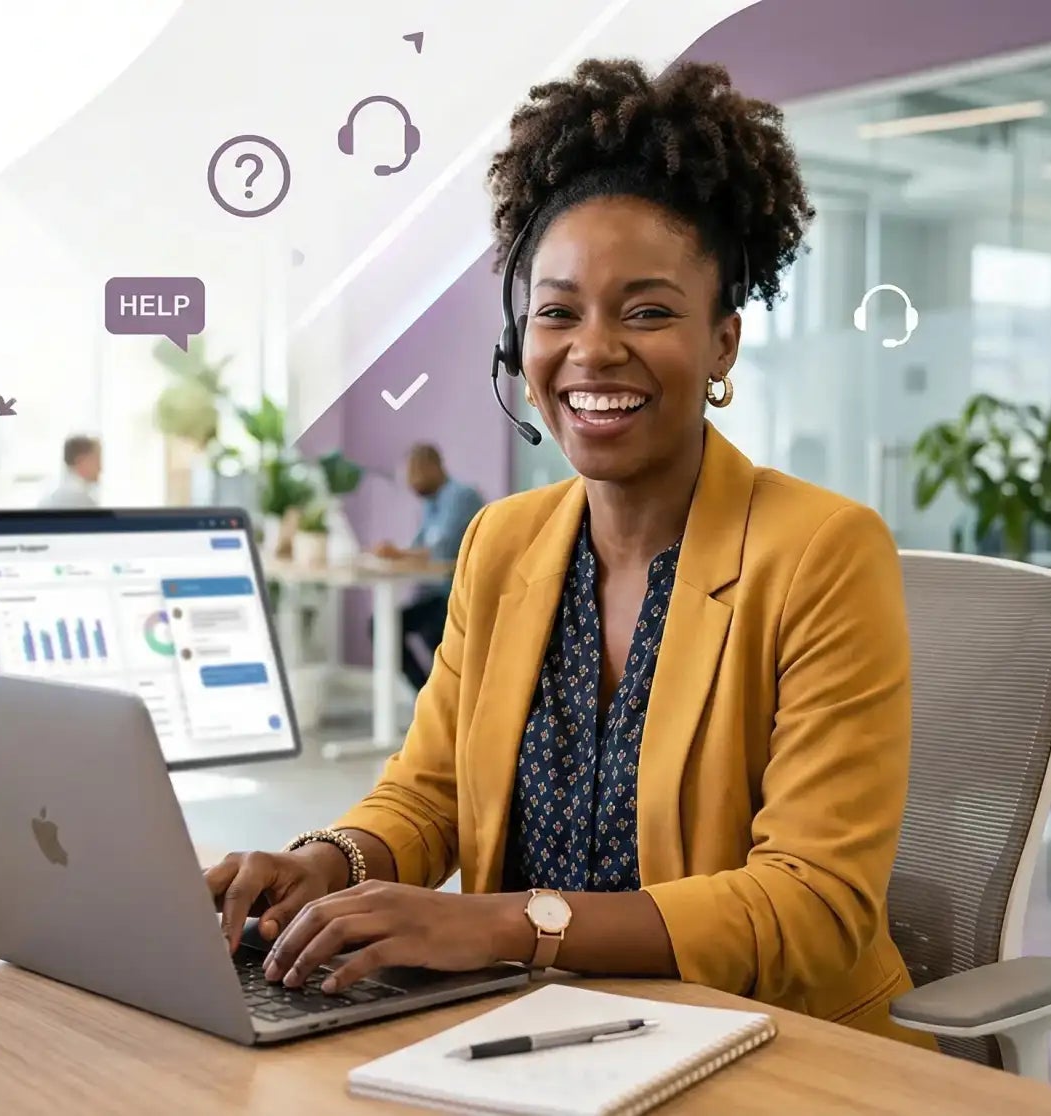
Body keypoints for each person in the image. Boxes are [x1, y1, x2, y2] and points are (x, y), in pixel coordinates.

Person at [205, 58, 931, 1049]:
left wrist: (506, 923)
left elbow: (811, 902)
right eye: (556, 311)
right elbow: (430, 794)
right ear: (519, 343)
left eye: (646, 311)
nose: (592, 350)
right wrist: (328, 862)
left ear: (721, 341)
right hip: (532, 1040)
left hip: (768, 1044)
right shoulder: (500, 543)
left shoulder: (822, 552)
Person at [371, 443, 483, 690]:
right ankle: (427, 697)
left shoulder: (460, 497)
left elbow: (440, 551)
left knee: (386, 625)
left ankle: (427, 697)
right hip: (432, 594)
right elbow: (418, 547)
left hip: (455, 598)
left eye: (415, 473)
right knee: (381, 625)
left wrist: (400, 553)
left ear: (434, 467)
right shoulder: (430, 504)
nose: (411, 482)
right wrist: (395, 553)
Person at [40, 435, 100, 508]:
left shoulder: (53, 493)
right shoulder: (80, 501)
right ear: (81, 462)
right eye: (97, 460)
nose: (100, 467)